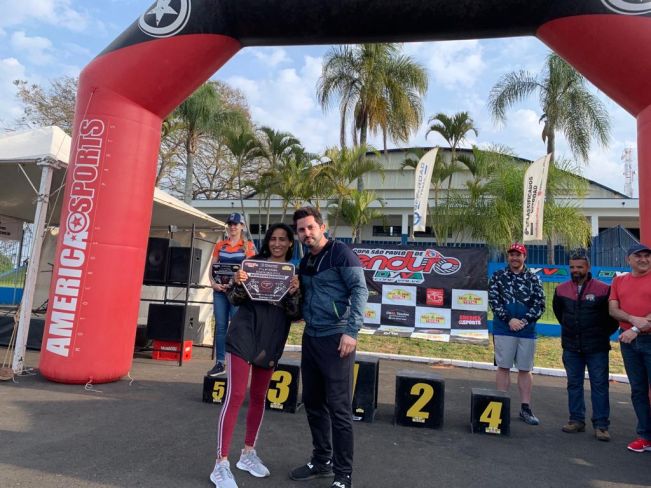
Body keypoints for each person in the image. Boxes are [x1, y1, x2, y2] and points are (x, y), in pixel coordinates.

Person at [210, 223, 301, 488]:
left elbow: (295, 314)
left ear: (290, 243)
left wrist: (294, 292)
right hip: (243, 335)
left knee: (259, 397)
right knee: (236, 395)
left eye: (283, 239)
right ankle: (220, 464)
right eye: (273, 238)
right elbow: (235, 299)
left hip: (271, 339)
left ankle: (247, 454)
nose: (277, 243)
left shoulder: (295, 274)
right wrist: (238, 282)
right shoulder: (251, 265)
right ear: (267, 241)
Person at [289, 207, 368, 488]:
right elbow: (305, 296)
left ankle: (343, 474)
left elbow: (360, 290)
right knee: (313, 403)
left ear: (322, 227)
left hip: (337, 339)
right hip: (311, 337)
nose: (306, 233)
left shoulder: (341, 253)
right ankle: (322, 460)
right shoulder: (306, 260)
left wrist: (351, 332)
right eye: (301, 229)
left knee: (339, 408)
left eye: (310, 227)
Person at [552, 251, 618, 441]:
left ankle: (601, 425)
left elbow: (612, 319)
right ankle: (576, 420)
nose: (575, 270)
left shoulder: (603, 289)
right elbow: (560, 314)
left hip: (597, 347)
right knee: (574, 384)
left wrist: (599, 335)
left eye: (579, 267)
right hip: (571, 347)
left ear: (588, 267)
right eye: (572, 267)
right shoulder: (561, 289)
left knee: (599, 385)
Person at [488, 242, 545, 425]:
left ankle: (525, 408)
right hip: (504, 329)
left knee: (525, 369)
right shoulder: (498, 276)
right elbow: (494, 301)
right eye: (511, 254)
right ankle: (500, 406)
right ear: (508, 257)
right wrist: (509, 320)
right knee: (503, 367)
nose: (514, 258)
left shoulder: (534, 278)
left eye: (518, 255)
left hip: (526, 331)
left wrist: (524, 321)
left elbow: (540, 304)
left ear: (524, 257)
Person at [608, 243, 651, 453]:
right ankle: (645, 436)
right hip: (629, 343)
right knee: (638, 390)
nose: (644, 259)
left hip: (647, 339)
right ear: (628, 260)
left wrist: (635, 328)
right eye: (638, 256)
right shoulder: (619, 281)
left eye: (647, 256)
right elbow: (613, 309)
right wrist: (633, 320)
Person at [207, 213, 256, 377]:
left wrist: (236, 282)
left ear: (242, 226)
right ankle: (220, 363)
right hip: (220, 291)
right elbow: (212, 268)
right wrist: (213, 283)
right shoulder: (220, 245)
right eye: (230, 224)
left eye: (236, 224)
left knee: (236, 327)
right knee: (221, 327)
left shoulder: (248, 246)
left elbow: (251, 271)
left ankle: (236, 362)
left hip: (237, 293)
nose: (233, 227)